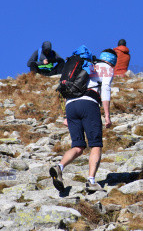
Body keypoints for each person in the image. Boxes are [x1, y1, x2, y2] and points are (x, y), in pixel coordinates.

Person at [49, 48, 117, 192]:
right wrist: (107, 115)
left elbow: (73, 86)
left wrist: (67, 116)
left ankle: (59, 167)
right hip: (88, 104)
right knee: (96, 145)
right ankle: (91, 181)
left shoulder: (86, 64)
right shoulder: (107, 68)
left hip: (70, 105)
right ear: (112, 62)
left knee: (78, 146)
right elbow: (105, 89)